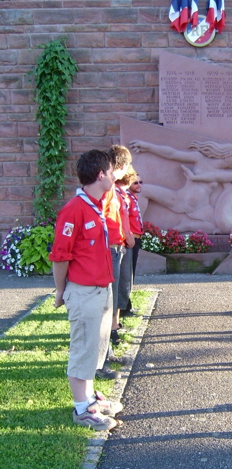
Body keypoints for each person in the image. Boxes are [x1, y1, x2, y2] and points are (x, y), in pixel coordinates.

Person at [49, 149, 122, 431]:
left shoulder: (96, 205)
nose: (115, 177)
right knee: (83, 349)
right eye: (112, 172)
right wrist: (60, 291)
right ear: (101, 175)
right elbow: (60, 256)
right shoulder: (74, 210)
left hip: (101, 289)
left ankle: (90, 397)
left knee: (95, 347)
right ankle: (82, 409)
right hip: (84, 291)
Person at [129, 139, 232, 233]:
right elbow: (172, 154)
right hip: (178, 199)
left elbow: (228, 197)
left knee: (216, 227)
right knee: (143, 190)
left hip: (200, 208)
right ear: (227, 156)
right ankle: (136, 228)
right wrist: (147, 147)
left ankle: (187, 226)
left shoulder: (224, 176)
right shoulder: (200, 159)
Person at [96, 145, 133, 379]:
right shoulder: (107, 188)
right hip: (108, 249)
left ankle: (106, 352)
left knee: (110, 303)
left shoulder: (111, 189)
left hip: (115, 247)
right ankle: (100, 360)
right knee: (105, 305)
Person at [120, 171, 143, 317]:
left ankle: (126, 305)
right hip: (130, 240)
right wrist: (129, 237)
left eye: (140, 182)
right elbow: (124, 221)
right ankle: (123, 307)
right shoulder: (126, 198)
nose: (139, 185)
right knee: (126, 274)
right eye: (135, 182)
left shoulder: (133, 198)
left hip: (136, 238)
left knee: (130, 273)